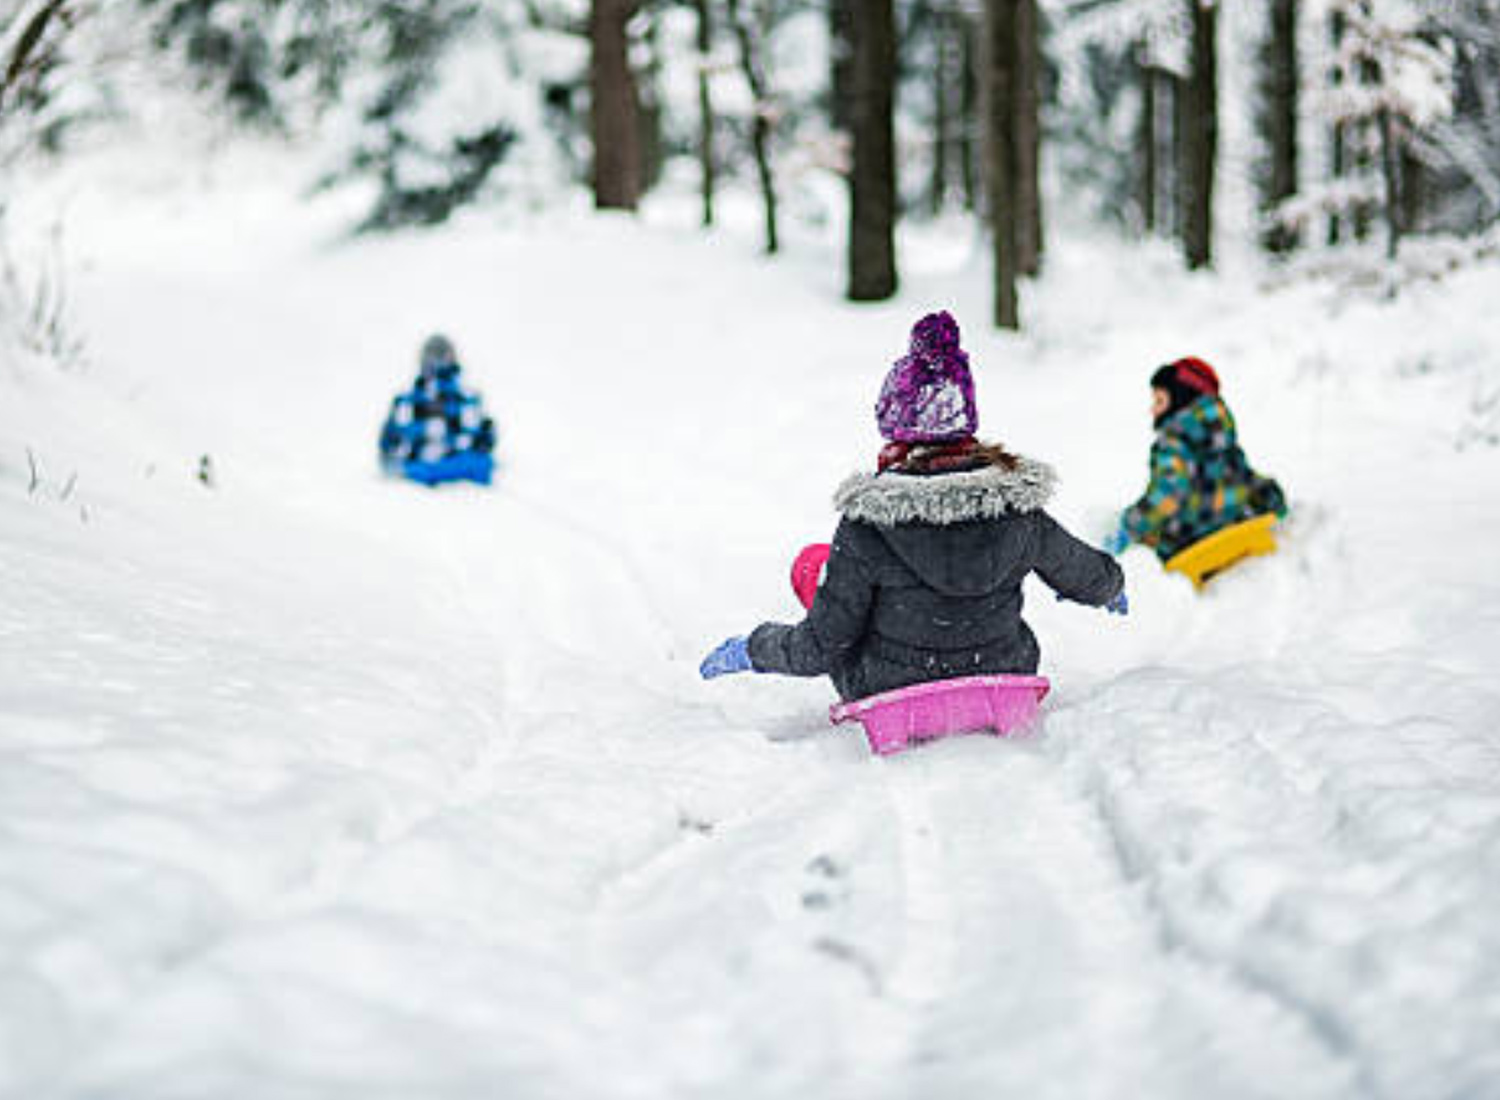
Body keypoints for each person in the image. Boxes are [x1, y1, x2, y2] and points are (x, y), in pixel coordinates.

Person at [699, 311, 1126, 702]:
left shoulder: (869, 525)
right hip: (1001, 671)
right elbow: (1085, 573)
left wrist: (754, 648)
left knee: (814, 565)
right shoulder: (1018, 512)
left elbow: (822, 646)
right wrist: (1111, 588)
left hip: (889, 688)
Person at [1106, 357, 1286, 561]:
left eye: (1159, 401)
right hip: (1238, 522)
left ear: (1181, 399)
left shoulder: (1172, 441)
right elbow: (1243, 476)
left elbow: (1169, 494)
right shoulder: (1223, 435)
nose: (1153, 410)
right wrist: (1269, 496)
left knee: (1145, 536)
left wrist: (1129, 526)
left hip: (1189, 540)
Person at [379, 334, 497, 486]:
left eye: (442, 358)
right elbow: (388, 447)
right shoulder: (406, 401)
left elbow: (482, 441)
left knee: (479, 464)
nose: (438, 364)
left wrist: (484, 438)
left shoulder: (467, 398)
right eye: (433, 359)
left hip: (460, 466)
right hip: (417, 467)